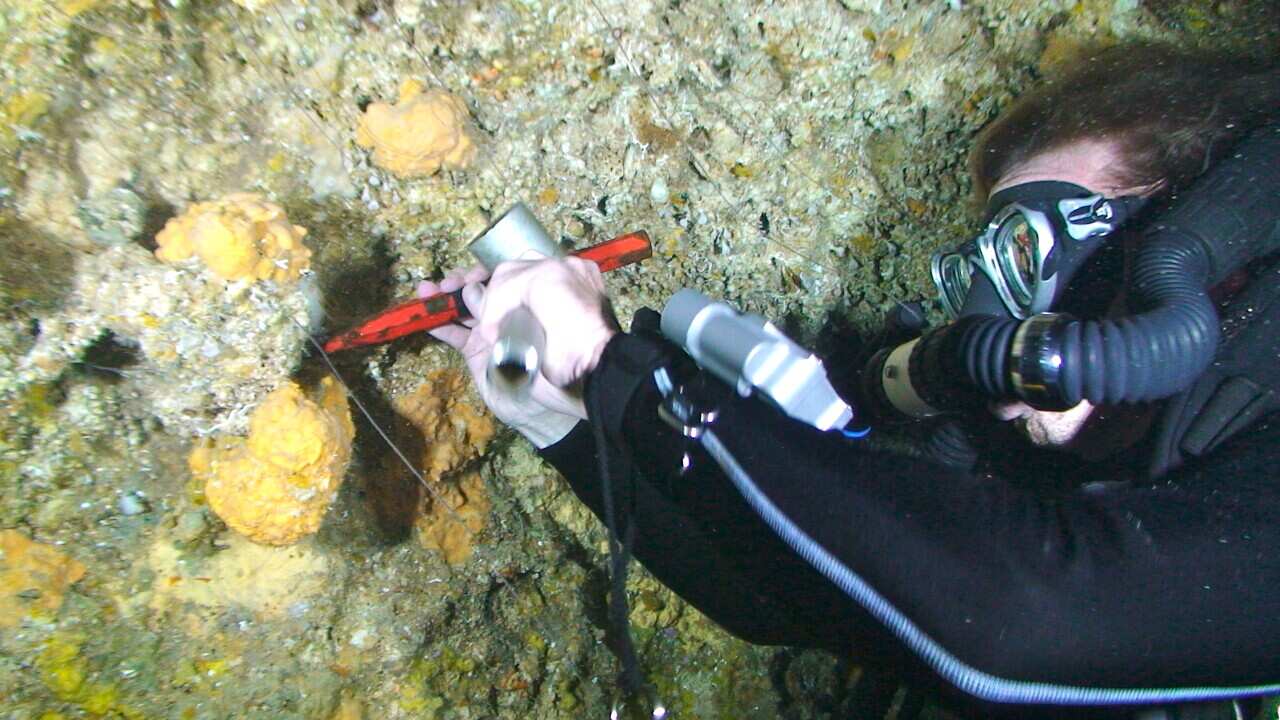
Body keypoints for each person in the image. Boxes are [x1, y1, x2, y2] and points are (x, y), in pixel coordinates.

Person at [418, 44, 1280, 718]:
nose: (1001, 322)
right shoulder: (1061, 464)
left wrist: (615, 370)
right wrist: (560, 417)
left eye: (1033, 251)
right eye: (986, 268)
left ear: (1212, 257)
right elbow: (778, 604)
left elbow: (1025, 620)